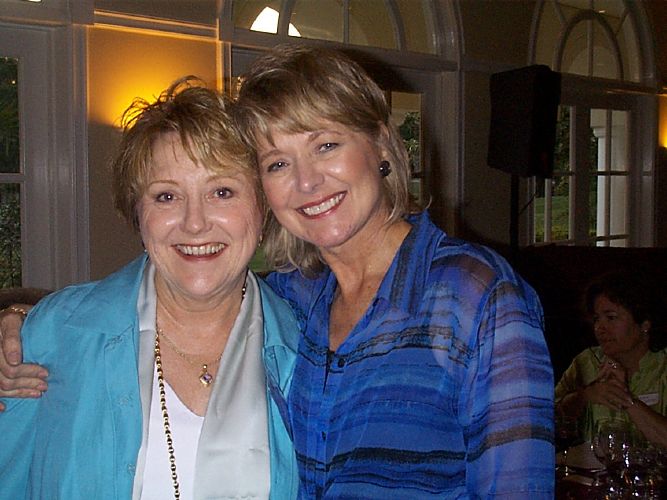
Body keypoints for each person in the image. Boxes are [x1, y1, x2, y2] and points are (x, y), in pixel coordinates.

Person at [1, 45, 555, 497]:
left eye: (327, 145)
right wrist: (23, 322)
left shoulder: (475, 294)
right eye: (278, 163)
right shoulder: (301, 302)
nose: (307, 181)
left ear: (382, 146)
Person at [0, 78, 299, 499]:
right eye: (166, 197)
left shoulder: (308, 350)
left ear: (262, 207)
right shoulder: (56, 334)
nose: (195, 223)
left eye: (222, 191)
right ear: (137, 213)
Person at [555, 269, 667, 447]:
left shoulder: (663, 366)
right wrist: (584, 396)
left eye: (611, 318)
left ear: (644, 323)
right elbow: (545, 419)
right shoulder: (586, 361)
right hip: (592, 464)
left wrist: (626, 400)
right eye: (596, 319)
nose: (600, 328)